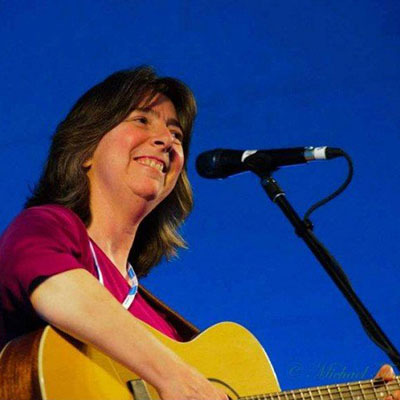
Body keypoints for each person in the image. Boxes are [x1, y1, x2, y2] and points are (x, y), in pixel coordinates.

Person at [0, 66, 398, 400]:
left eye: (176, 134)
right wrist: (173, 375)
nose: (167, 140)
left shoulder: (166, 331)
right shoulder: (48, 226)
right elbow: (58, 289)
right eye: (141, 120)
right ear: (86, 148)